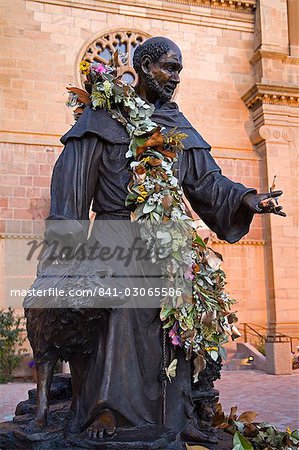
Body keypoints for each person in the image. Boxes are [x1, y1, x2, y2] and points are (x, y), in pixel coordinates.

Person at [29, 37, 285, 445]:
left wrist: (246, 198)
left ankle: (173, 413)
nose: (176, 79)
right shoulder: (102, 118)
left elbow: (206, 181)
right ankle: (107, 410)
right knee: (120, 314)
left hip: (167, 248)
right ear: (145, 67)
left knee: (175, 328)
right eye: (170, 68)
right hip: (114, 243)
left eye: (179, 70)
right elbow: (72, 184)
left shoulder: (177, 125)